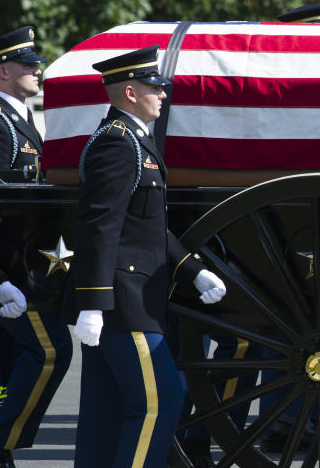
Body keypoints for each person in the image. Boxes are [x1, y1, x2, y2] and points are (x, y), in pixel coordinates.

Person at [59, 45, 227, 468]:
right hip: (122, 301)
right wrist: (94, 302)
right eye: (155, 88)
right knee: (160, 402)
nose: (163, 95)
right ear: (130, 92)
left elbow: (147, 225)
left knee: (107, 410)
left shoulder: (132, 140)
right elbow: (101, 226)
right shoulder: (117, 144)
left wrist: (193, 270)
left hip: (125, 296)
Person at [0, 26, 73, 468]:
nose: (37, 69)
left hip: (21, 271)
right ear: (3, 70)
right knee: (50, 351)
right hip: (10, 274)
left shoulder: (18, 119)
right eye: (28, 64)